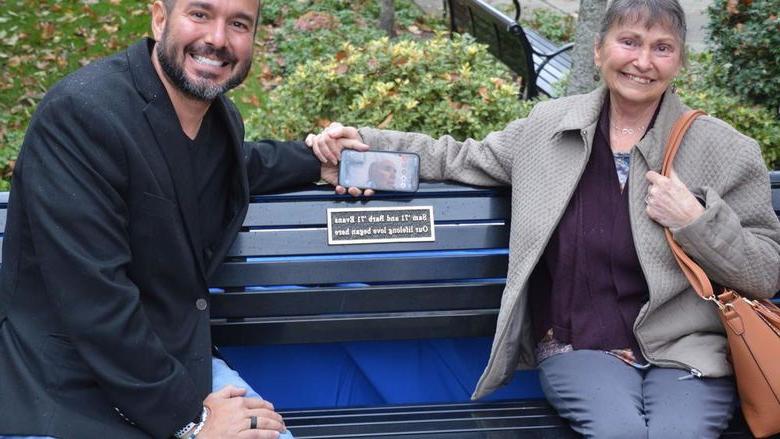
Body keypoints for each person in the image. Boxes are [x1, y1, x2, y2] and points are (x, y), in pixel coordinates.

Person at [308, 0, 780, 436]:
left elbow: (764, 273)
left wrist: (696, 221)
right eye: (629, 41)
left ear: (679, 62)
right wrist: (362, 142)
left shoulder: (726, 151)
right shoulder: (548, 129)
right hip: (581, 349)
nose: (642, 61)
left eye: (662, 48)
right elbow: (455, 157)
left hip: (686, 354)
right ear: (599, 50)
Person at [0, 0, 352, 438]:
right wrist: (194, 421)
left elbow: (234, 165)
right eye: (200, 14)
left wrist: (319, 162)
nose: (218, 39)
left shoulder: (217, 120)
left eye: (238, 24)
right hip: (73, 391)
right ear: (160, 18)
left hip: (177, 364)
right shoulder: (82, 115)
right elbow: (95, 303)